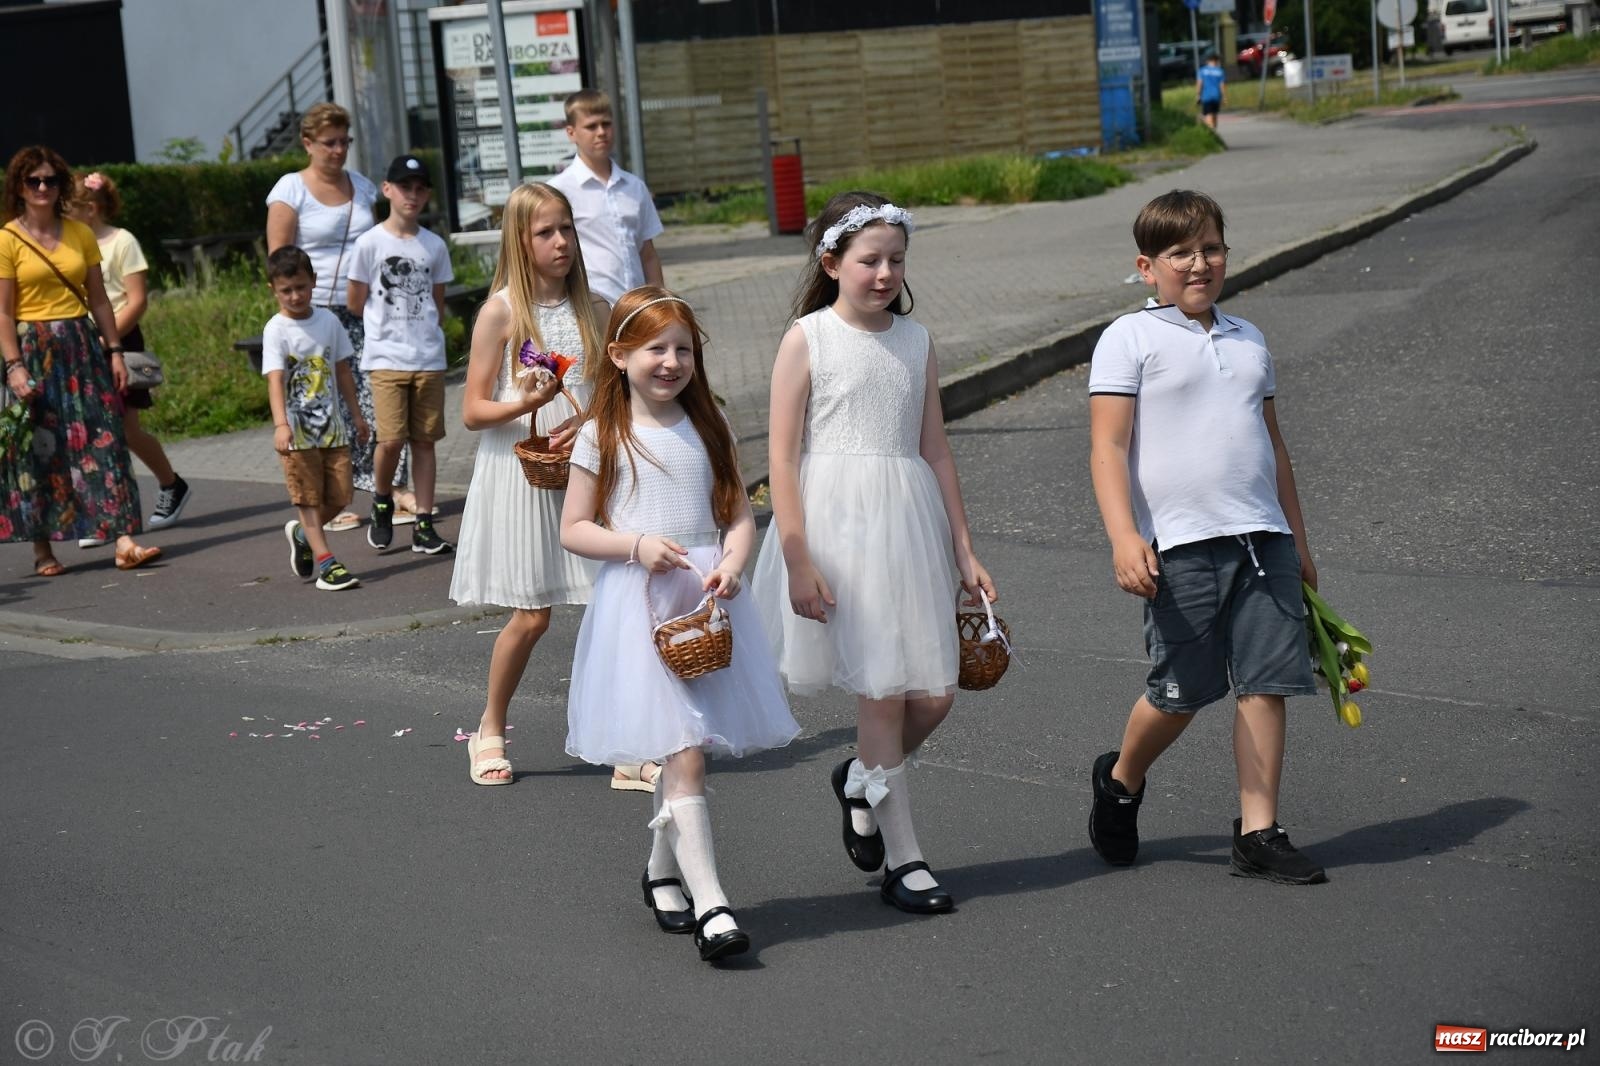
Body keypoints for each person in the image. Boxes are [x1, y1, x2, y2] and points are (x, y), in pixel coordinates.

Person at [752, 191, 997, 915]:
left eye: (896, 260)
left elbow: (937, 450)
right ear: (831, 263)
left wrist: (964, 547)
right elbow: (782, 459)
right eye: (869, 260)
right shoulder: (808, 338)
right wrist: (797, 557)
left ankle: (860, 778)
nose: (885, 273)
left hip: (908, 520)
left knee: (937, 693)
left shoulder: (915, 342)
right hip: (837, 529)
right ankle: (905, 859)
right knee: (883, 693)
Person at [1086, 189, 1325, 885]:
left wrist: (1299, 541)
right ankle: (1122, 779)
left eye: (1211, 248)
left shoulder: (1249, 338)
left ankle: (1260, 832)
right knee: (1181, 689)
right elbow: (1107, 447)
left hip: (1262, 538)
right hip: (1181, 543)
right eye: (1180, 253)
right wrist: (1124, 536)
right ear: (1146, 266)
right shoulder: (1128, 338)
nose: (1200, 263)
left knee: (1267, 681)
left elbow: (1273, 448)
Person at [561, 287, 799, 962]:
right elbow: (575, 528)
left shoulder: (711, 425)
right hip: (639, 604)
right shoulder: (601, 434)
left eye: (683, 349)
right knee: (685, 748)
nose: (670, 362)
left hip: (702, 602)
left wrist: (735, 561)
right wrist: (635, 545)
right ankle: (714, 905)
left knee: (685, 747)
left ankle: (662, 872)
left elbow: (738, 515)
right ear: (619, 355)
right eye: (655, 349)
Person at [448, 182, 610, 785]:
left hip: (586, 469)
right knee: (534, 614)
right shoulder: (502, 311)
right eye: (546, 232)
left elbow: (613, 392)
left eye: (566, 228)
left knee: (609, 605)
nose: (562, 241)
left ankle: (620, 736)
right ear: (520, 240)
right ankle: (490, 727)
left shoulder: (595, 307)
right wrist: (526, 401)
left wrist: (589, 419)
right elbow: (470, 411)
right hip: (521, 470)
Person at [0, 145, 161, 575]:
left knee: (104, 438)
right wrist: (13, 366)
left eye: (50, 180)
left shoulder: (79, 233)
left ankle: (123, 540)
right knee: (40, 450)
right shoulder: (6, 240)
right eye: (33, 180)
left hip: (81, 343)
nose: (42, 187)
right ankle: (42, 550)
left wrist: (114, 351)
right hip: (33, 349)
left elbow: (100, 300)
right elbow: (2, 311)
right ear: (18, 186)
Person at [265, 102, 415, 532]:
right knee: (324, 403)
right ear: (308, 143)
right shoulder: (289, 190)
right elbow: (279, 259)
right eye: (329, 143)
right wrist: (291, 317)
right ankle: (333, 494)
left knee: (379, 394)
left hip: (367, 308)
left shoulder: (364, 188)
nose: (338, 150)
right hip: (314, 310)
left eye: (344, 142)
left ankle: (388, 484)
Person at [66, 171, 192, 542]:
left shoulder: (123, 241)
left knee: (125, 430)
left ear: (89, 209)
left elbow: (136, 300)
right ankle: (103, 515)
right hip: (84, 341)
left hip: (120, 339)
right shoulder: (70, 245)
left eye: (68, 209)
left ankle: (172, 485)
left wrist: (109, 340)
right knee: (91, 432)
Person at [345, 154, 453, 556]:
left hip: (427, 356)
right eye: (404, 186)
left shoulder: (434, 245)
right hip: (386, 357)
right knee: (390, 439)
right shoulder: (370, 242)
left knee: (425, 441)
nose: (412, 194)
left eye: (420, 187)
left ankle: (423, 522)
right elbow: (355, 301)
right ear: (387, 189)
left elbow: (437, 304)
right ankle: (382, 499)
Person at [261, 245, 368, 592]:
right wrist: (281, 424)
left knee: (339, 497)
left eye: (301, 287)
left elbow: (342, 370)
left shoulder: (328, 321)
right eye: (286, 290)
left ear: (314, 282)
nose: (295, 296)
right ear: (273, 290)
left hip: (333, 428)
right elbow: (275, 379)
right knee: (307, 497)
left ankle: (302, 534)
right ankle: (327, 563)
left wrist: (357, 415)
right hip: (297, 433)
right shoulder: (276, 329)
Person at [547, 89, 664, 304]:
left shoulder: (634, 187)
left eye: (606, 124)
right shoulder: (558, 191)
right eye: (591, 126)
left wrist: (660, 303)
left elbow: (647, 255)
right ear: (571, 133)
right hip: (591, 308)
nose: (601, 132)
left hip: (637, 308)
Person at [1197, 54, 1226, 131]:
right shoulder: (1220, 71)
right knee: (1214, 114)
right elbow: (1222, 85)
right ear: (1216, 61)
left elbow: (1200, 83)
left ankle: (1210, 130)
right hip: (1216, 96)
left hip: (1206, 96)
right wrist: (1224, 96)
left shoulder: (1202, 70)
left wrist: (1198, 95)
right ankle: (1213, 129)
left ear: (1208, 61)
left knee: (1208, 114)